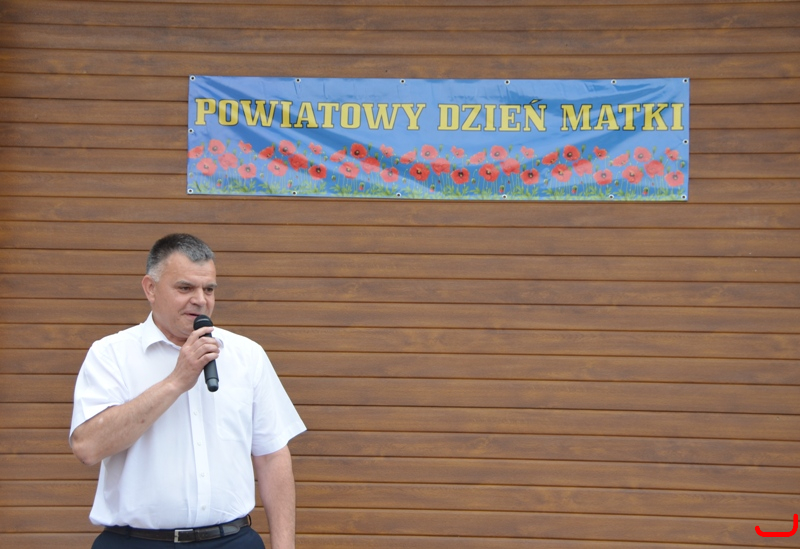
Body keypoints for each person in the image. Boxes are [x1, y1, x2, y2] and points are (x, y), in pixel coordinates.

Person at [69, 233, 306, 548]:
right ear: (150, 288)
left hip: (231, 540)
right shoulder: (111, 354)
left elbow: (272, 456)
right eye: (185, 288)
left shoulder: (246, 355)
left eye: (208, 289)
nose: (200, 300)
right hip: (138, 541)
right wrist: (176, 381)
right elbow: (88, 447)